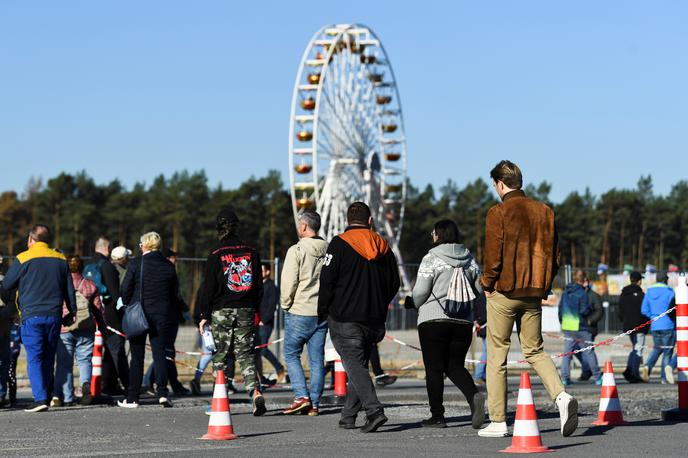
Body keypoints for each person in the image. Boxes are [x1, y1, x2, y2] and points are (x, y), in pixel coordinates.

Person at [478, 160, 577, 438]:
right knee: (534, 351)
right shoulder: (544, 211)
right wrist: (543, 284)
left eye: (494, 185)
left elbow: (493, 255)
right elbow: (555, 256)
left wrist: (487, 283)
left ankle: (498, 421)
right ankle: (561, 397)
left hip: (504, 292)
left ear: (499, 183)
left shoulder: (498, 212)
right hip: (533, 292)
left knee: (498, 354)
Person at [318, 202, 400, 433]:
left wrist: (324, 308)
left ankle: (374, 411)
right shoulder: (383, 246)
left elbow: (327, 281)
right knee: (359, 365)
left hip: (345, 317)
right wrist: (380, 302)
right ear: (370, 221)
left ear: (347, 220)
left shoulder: (339, 244)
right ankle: (348, 416)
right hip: (374, 318)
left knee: (353, 364)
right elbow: (395, 283)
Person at [412, 219, 486, 429]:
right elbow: (479, 289)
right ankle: (473, 396)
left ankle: (437, 416)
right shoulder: (469, 258)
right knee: (454, 365)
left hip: (433, 318)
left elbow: (420, 291)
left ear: (438, 235)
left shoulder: (431, 258)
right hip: (462, 320)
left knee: (434, 369)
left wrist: (414, 303)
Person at [0, 225, 76, 412]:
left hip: (31, 315)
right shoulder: (60, 259)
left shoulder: (23, 258)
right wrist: (71, 313)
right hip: (54, 315)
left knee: (34, 357)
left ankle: (40, 398)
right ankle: (48, 395)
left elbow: (7, 284)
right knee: (49, 357)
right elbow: (69, 289)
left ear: (31, 239)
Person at [198, 207, 266, 416]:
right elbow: (258, 285)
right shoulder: (252, 251)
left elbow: (208, 287)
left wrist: (203, 315)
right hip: (246, 307)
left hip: (222, 310)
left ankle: (220, 400)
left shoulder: (216, 253)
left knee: (221, 354)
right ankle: (255, 392)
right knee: (245, 353)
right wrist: (255, 308)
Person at [117, 232, 180, 408]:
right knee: (160, 355)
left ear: (145, 245)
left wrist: (128, 303)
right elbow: (174, 293)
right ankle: (162, 393)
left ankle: (133, 397)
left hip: (140, 314)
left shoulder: (136, 263)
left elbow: (125, 289)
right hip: (161, 315)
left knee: (137, 357)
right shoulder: (168, 266)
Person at [280, 211, 329, 416]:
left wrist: (286, 303)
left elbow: (289, 280)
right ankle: (315, 403)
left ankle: (301, 396)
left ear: (304, 227)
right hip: (322, 312)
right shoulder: (328, 249)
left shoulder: (297, 250)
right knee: (317, 359)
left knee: (291, 354)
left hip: (300, 309)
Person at [52, 255, 103, 407]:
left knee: (64, 364)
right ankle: (85, 385)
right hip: (86, 327)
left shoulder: (60, 284)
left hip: (64, 328)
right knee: (84, 360)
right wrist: (102, 328)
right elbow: (98, 309)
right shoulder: (90, 285)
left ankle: (67, 397)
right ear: (82, 268)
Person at [142, 248, 190, 396]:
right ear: (169, 258)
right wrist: (184, 307)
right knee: (165, 351)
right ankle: (148, 381)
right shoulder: (167, 269)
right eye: (174, 258)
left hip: (170, 315)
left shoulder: (163, 269)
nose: (176, 261)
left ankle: (173, 384)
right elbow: (174, 295)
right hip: (167, 317)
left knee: (167, 352)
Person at [88, 237, 129, 396]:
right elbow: (115, 294)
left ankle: (108, 383)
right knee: (117, 350)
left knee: (104, 352)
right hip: (110, 316)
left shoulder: (89, 265)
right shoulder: (108, 267)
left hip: (93, 314)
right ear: (107, 248)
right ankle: (129, 384)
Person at [558, 270, 602, 386]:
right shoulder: (582, 293)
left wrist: (562, 322)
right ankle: (598, 377)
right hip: (581, 327)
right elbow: (584, 310)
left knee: (567, 354)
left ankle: (565, 378)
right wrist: (587, 316)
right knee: (589, 352)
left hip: (567, 326)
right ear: (583, 281)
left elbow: (560, 309)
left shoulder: (565, 292)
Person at [640, 275, 676, 383]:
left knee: (657, 348)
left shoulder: (649, 292)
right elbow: (673, 308)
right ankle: (664, 378)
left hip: (655, 325)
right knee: (667, 352)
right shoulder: (670, 292)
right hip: (668, 325)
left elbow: (643, 309)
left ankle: (647, 366)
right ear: (666, 280)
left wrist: (653, 316)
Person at [256, 262, 285, 385]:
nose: (260, 273)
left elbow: (272, 306)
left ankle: (279, 368)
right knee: (257, 351)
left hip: (265, 323)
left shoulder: (271, 286)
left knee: (262, 349)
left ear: (268, 272)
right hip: (257, 322)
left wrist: (264, 320)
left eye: (262, 271)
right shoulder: (258, 285)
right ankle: (260, 377)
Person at [618, 271, 648, 383]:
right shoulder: (641, 295)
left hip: (628, 326)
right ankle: (633, 374)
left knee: (635, 348)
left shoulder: (624, 294)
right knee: (638, 349)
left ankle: (629, 370)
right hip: (640, 327)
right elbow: (645, 312)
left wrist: (624, 321)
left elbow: (620, 311)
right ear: (639, 281)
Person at [576, 277, 604, 381]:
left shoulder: (594, 296)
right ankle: (587, 370)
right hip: (577, 327)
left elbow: (599, 311)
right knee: (577, 349)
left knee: (587, 350)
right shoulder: (577, 294)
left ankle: (589, 372)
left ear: (586, 283)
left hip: (589, 328)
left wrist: (590, 321)